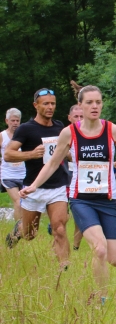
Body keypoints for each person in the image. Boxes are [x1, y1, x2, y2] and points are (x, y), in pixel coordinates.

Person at [19, 85, 116, 301]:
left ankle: (100, 284)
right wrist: (34, 185)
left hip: (108, 200)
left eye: (98, 102)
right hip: (81, 200)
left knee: (115, 259)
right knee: (100, 249)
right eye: (89, 102)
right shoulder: (69, 133)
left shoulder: (112, 130)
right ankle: (101, 298)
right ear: (80, 105)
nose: (94, 106)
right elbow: (52, 163)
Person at [4, 89, 70, 267]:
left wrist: (70, 154)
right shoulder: (26, 129)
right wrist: (31, 154)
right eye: (46, 104)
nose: (50, 107)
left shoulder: (59, 127)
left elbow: (65, 153)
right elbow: (8, 155)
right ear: (36, 105)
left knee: (60, 228)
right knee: (29, 234)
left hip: (57, 186)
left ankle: (64, 269)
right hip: (33, 187)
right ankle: (17, 231)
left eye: (53, 104)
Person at [66, 103, 84, 250]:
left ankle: (75, 248)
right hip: (64, 177)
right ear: (69, 118)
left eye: (81, 116)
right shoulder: (65, 134)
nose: (79, 119)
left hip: (82, 179)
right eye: (76, 116)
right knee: (62, 216)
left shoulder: (91, 134)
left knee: (81, 215)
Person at [1, 108, 25, 224]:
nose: (15, 123)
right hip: (8, 175)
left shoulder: (24, 136)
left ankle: (26, 226)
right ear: (7, 121)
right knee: (18, 201)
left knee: (27, 203)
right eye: (13, 120)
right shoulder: (2, 136)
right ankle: (18, 230)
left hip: (24, 174)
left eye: (17, 121)